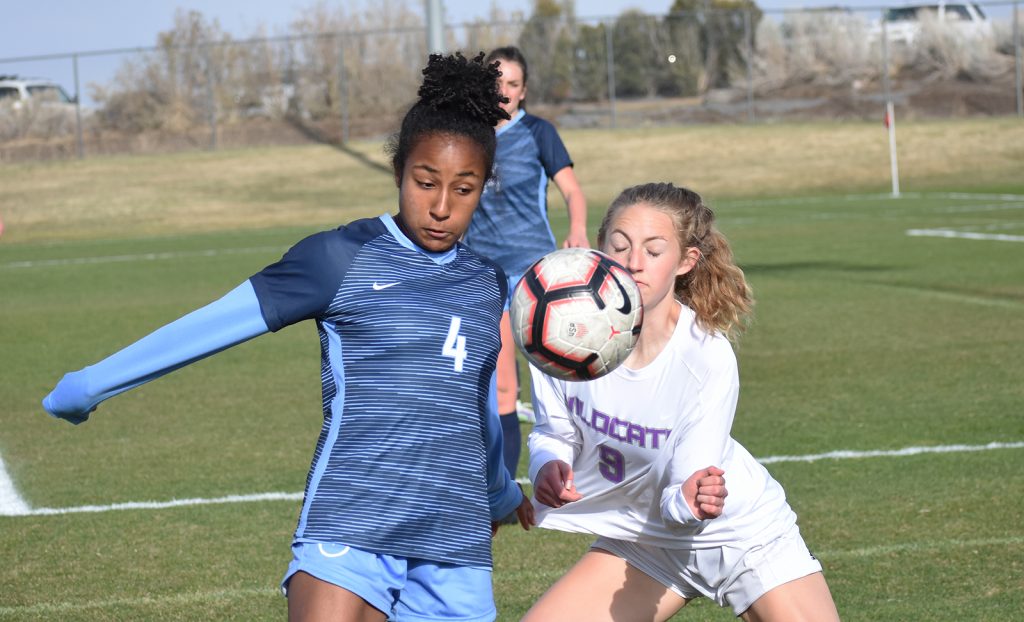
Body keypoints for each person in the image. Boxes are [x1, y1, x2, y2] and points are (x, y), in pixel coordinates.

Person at [42, 52, 534, 622]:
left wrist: (500, 490)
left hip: (454, 541)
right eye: (426, 183)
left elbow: (469, 408)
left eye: (465, 189)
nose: (442, 207)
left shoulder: (484, 282)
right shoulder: (339, 259)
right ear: (399, 170)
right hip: (352, 519)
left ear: (484, 189)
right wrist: (91, 384)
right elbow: (211, 325)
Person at [523, 183, 840, 621]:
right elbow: (551, 433)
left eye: (654, 251)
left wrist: (691, 501)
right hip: (642, 540)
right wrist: (547, 467)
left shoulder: (704, 357)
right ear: (599, 249)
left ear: (685, 262)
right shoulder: (557, 333)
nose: (634, 263)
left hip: (741, 535)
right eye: (620, 245)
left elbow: (684, 487)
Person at [463, 45, 590, 483]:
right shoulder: (469, 135)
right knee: (502, 387)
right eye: (496, 83)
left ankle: (583, 463)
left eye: (512, 84)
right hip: (485, 274)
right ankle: (498, 484)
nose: (504, 92)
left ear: (524, 91)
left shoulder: (539, 132)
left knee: (559, 377)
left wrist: (576, 228)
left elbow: (572, 190)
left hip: (536, 277)